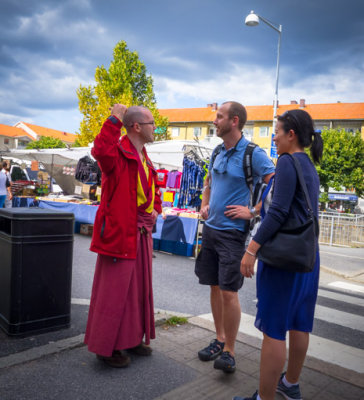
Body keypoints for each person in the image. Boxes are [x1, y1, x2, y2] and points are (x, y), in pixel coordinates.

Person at [234, 109, 323, 400]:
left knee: (274, 328)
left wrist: (252, 249)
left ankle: (265, 397)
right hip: (307, 254)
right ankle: (290, 384)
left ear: (291, 135)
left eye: (277, 131)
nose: (273, 137)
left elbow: (279, 212)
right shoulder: (307, 164)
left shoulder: (286, 162)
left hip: (284, 257)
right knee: (299, 322)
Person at [195, 101, 275, 373]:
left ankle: (230, 350)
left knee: (229, 292)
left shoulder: (253, 153)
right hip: (212, 230)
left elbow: (276, 185)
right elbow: (208, 183)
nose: (214, 121)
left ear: (234, 121)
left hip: (232, 235)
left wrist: (253, 211)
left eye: (219, 117)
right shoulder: (217, 151)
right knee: (214, 287)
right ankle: (218, 339)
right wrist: (205, 204)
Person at [84, 104, 162, 368]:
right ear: (137, 126)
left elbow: (153, 190)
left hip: (140, 233)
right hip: (120, 233)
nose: (156, 128)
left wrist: (155, 210)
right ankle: (106, 348)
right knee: (114, 293)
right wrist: (114, 118)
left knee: (136, 292)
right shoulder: (117, 152)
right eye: (152, 123)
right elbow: (100, 150)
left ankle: (129, 338)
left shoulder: (144, 156)